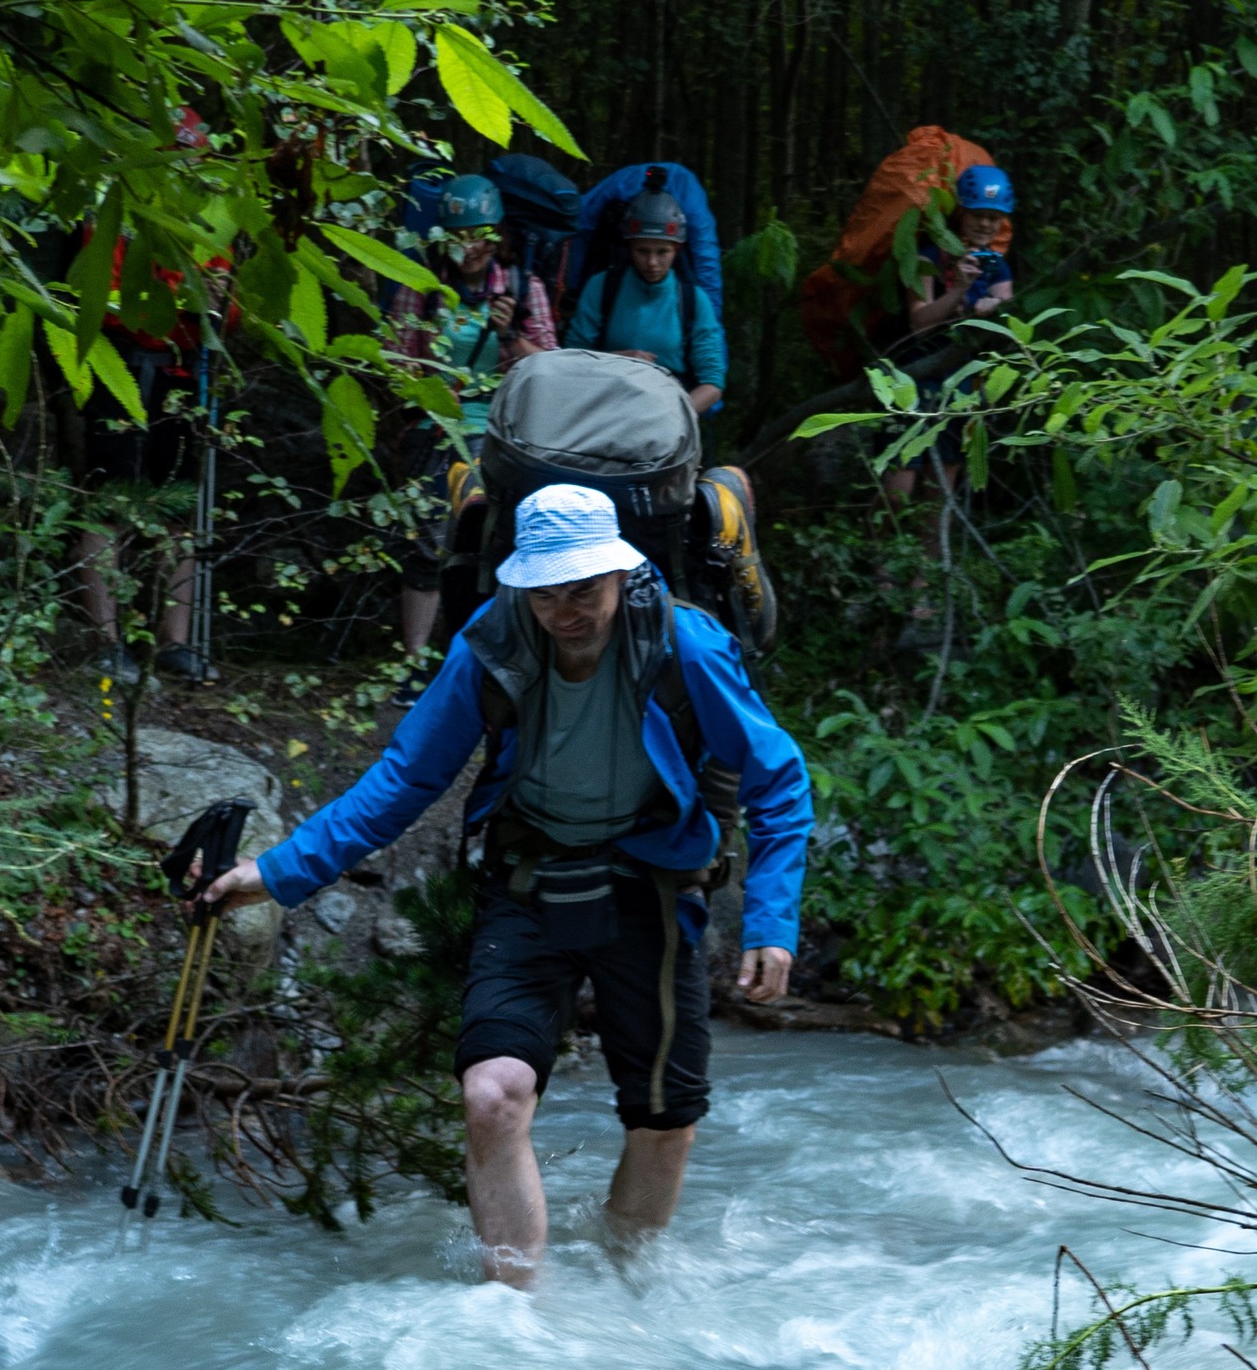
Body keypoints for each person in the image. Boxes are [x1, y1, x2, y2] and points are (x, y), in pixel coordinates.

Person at [200, 481, 810, 1285]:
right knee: (492, 1095)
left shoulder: (683, 645)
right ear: (520, 583)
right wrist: (277, 873)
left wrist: (771, 923)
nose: (565, 610)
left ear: (620, 575)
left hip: (652, 895)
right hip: (528, 887)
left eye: (583, 590)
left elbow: (778, 778)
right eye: (546, 593)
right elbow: (404, 778)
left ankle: (629, 1297)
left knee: (664, 1117)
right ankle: (514, 1327)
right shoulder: (490, 646)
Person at [387, 171, 557, 696]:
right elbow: (394, 367)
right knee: (431, 538)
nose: (470, 247)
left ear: (495, 234)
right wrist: (432, 391)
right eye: (460, 235)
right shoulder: (423, 290)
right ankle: (415, 663)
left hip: (508, 430)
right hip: (440, 429)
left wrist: (510, 333)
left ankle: (505, 657)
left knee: (507, 538)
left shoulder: (523, 287)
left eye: (480, 235)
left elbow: (552, 367)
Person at [76, 109, 225, 683]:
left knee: (181, 511)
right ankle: (107, 642)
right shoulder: (115, 210)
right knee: (110, 504)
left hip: (186, 378)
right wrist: (178, 295)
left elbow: (223, 309)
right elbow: (107, 295)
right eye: (181, 159)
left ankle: (175, 644)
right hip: (122, 369)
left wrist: (216, 301)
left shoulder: (210, 222)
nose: (190, 171)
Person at [882, 160, 1019, 511]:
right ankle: (882, 562)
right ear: (961, 212)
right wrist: (959, 289)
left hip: (961, 383)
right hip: (914, 374)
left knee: (940, 486)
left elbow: (1008, 316)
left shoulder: (998, 265)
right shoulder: (929, 256)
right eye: (978, 214)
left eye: (994, 217)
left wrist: (995, 307)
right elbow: (920, 322)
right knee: (900, 485)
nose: (986, 223)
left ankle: (929, 564)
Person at [564, 182, 727, 418]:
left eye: (662, 252)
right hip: (603, 410)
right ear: (629, 247)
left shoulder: (692, 300)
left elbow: (712, 383)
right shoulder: (602, 288)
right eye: (643, 251)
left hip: (669, 415)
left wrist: (671, 416)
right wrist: (618, 359)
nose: (652, 262)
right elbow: (572, 357)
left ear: (676, 250)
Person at [567, 159, 723, 307]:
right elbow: (706, 256)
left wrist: (573, 287)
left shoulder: (684, 188)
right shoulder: (685, 189)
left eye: (661, 251)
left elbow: (582, 224)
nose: (652, 261)